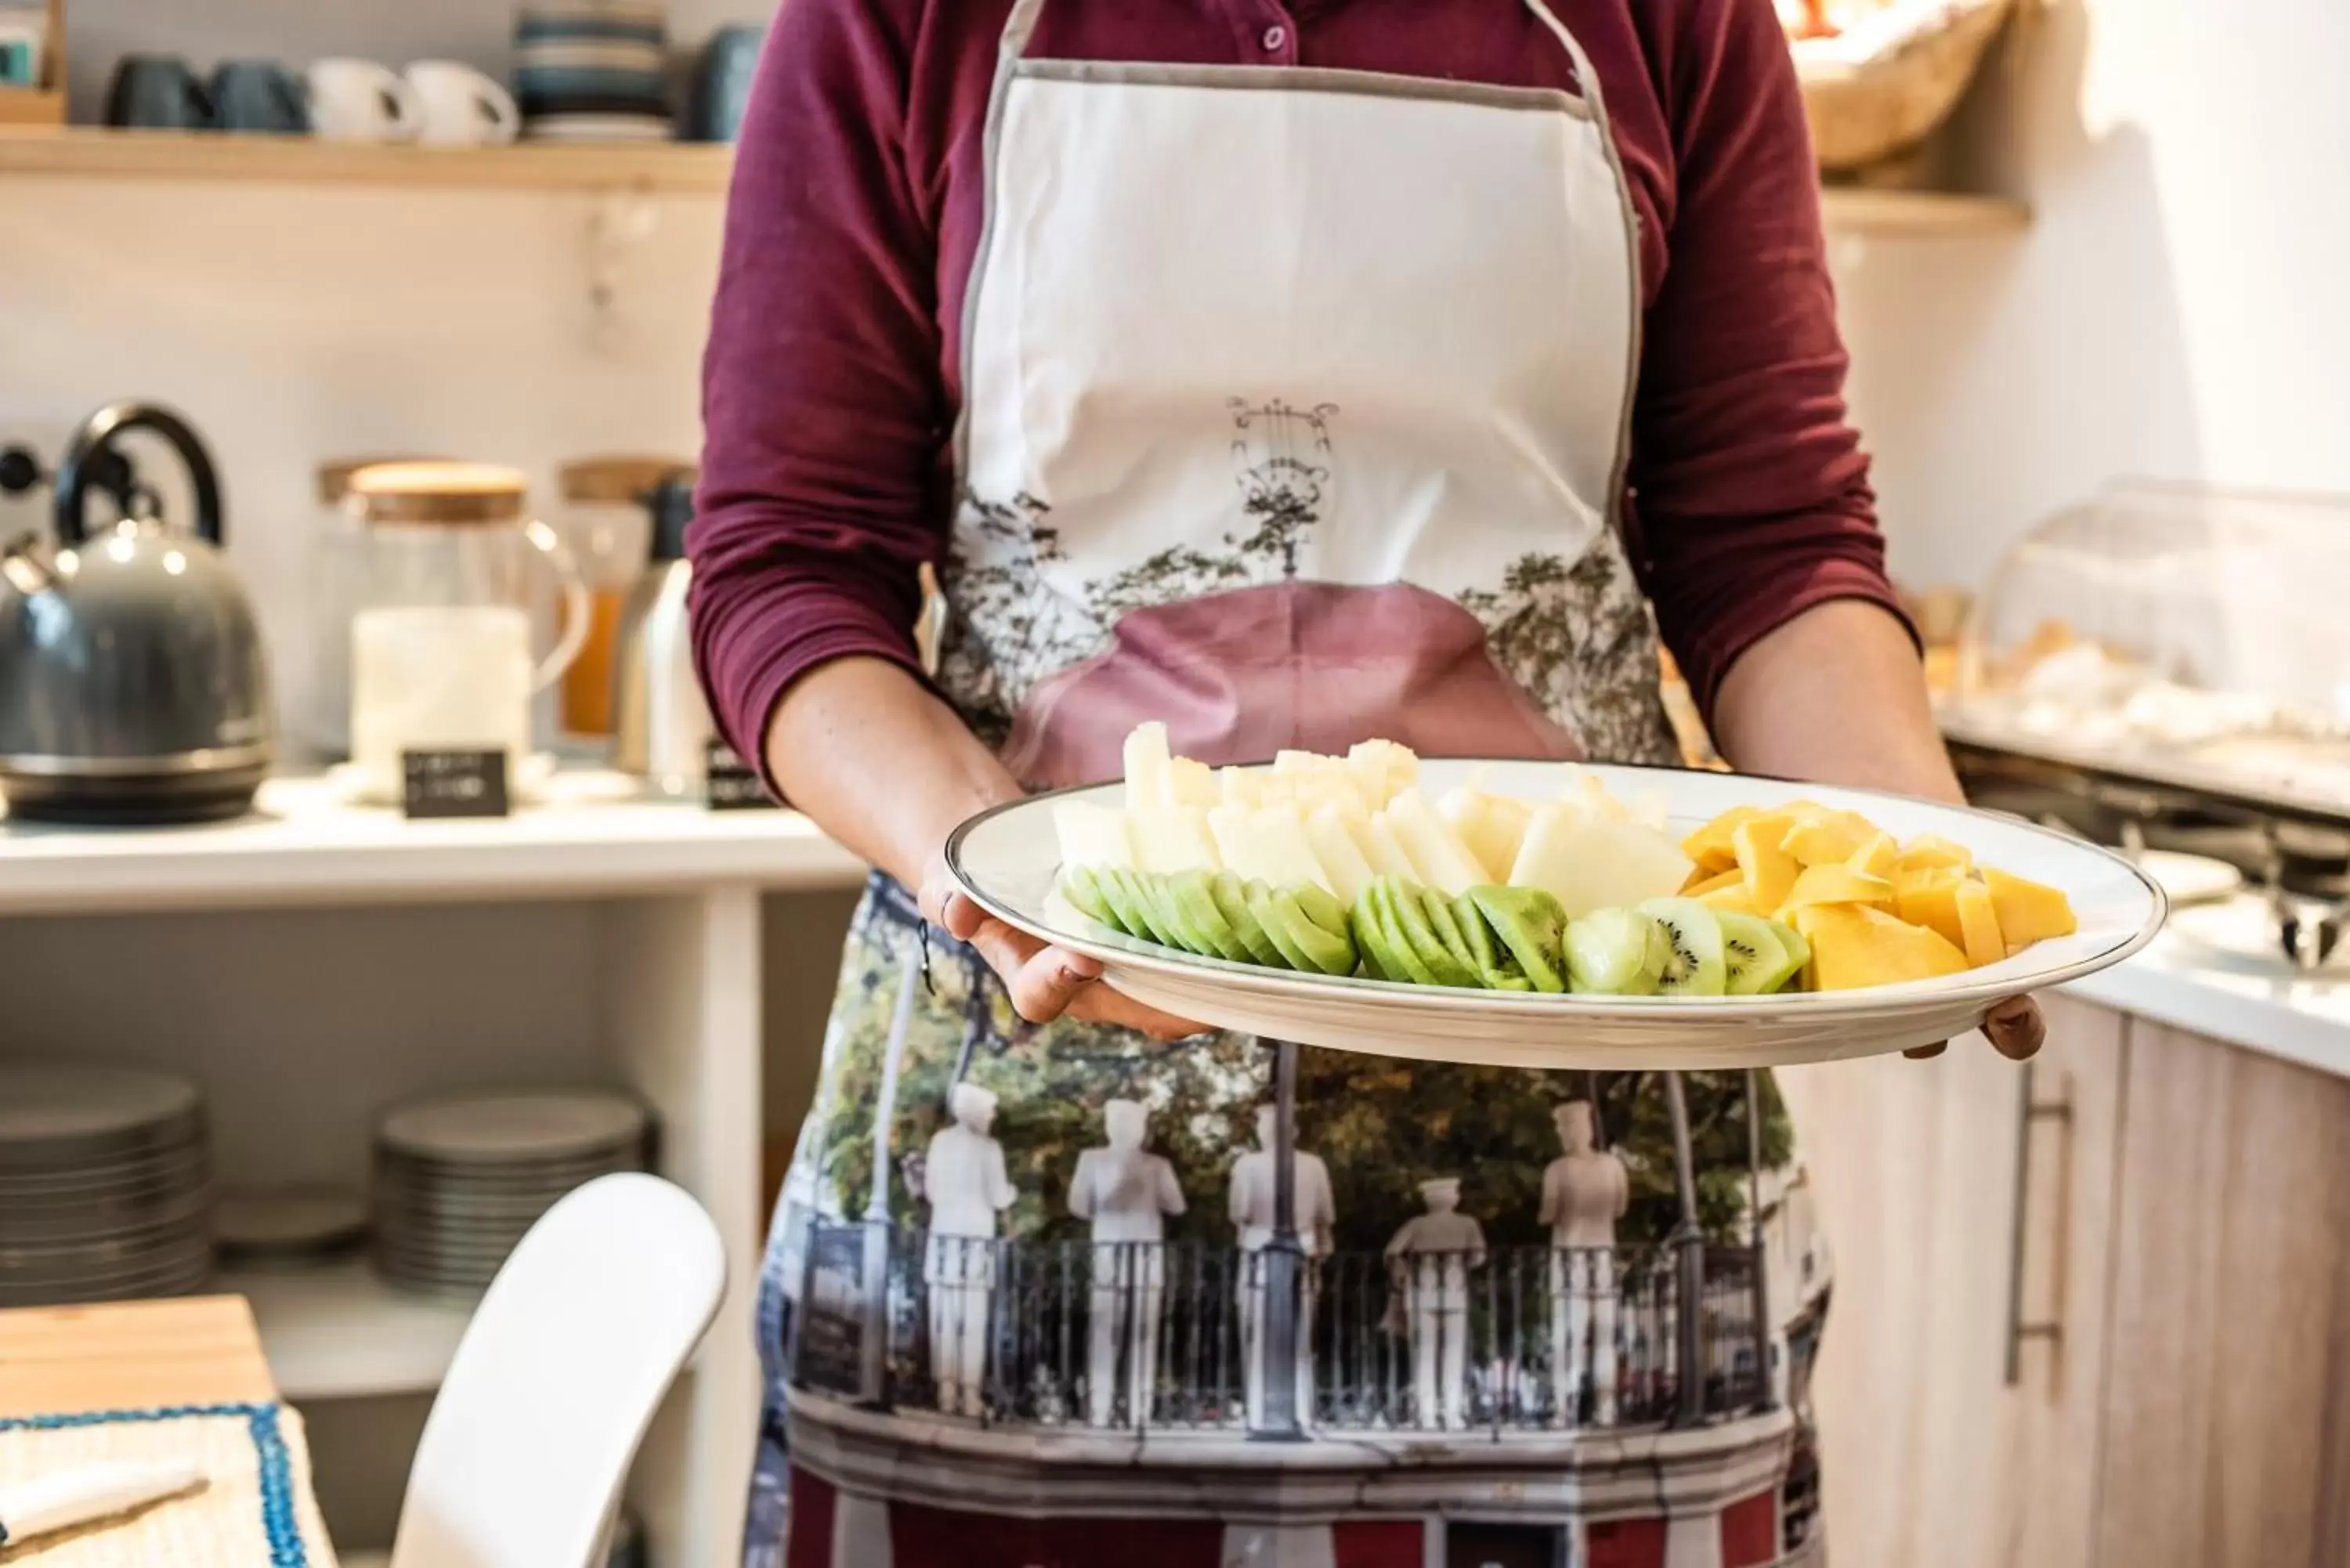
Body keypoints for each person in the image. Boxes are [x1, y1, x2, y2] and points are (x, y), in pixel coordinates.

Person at [691, 0, 2044, 1558]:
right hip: (1020, 1120)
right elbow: (788, 562)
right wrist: (981, 867)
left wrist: (1927, 868)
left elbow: (1774, 536)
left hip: (1591, 1155)